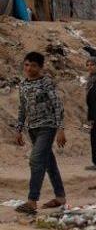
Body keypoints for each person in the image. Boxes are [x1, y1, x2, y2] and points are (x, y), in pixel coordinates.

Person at [14, 52, 66, 215]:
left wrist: (60, 129)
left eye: (34, 66)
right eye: (27, 65)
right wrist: (19, 129)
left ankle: (32, 201)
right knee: (49, 163)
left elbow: (58, 105)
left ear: (41, 67)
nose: (29, 69)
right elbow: (22, 108)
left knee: (36, 160)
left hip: (47, 126)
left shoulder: (46, 83)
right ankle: (60, 197)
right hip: (32, 128)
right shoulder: (23, 84)